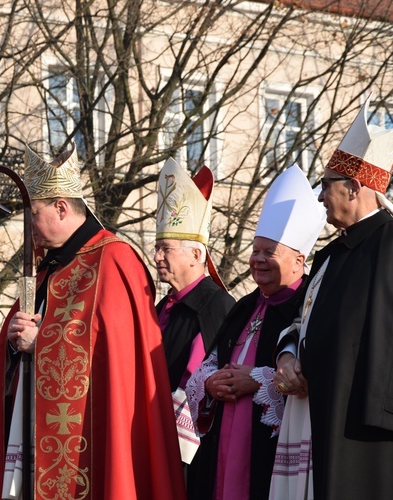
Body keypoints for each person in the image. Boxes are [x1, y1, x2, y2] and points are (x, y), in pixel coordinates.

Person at [0, 142, 186, 500]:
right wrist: (13, 344)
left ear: (61, 207)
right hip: (31, 432)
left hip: (90, 438)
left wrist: (42, 343)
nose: (29, 226)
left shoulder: (114, 260)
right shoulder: (48, 268)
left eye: (33, 214)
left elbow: (112, 360)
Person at [272, 98, 393, 499]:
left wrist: (383, 420)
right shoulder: (329, 256)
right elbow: (298, 322)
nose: (320, 196)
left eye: (325, 185)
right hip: (320, 416)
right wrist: (288, 357)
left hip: (362, 431)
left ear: (354, 187)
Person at [186, 165, 326, 500]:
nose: (258, 259)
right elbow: (214, 358)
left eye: (269, 252)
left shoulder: (309, 305)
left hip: (272, 447)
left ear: (298, 259)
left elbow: (315, 371)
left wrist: (262, 380)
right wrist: (209, 381)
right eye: (256, 250)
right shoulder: (246, 305)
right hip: (223, 441)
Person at [153, 157, 236, 494]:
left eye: (165, 248)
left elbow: (198, 383)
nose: (157, 257)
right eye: (157, 248)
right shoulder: (161, 306)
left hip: (186, 453)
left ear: (197, 255)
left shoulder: (216, 305)